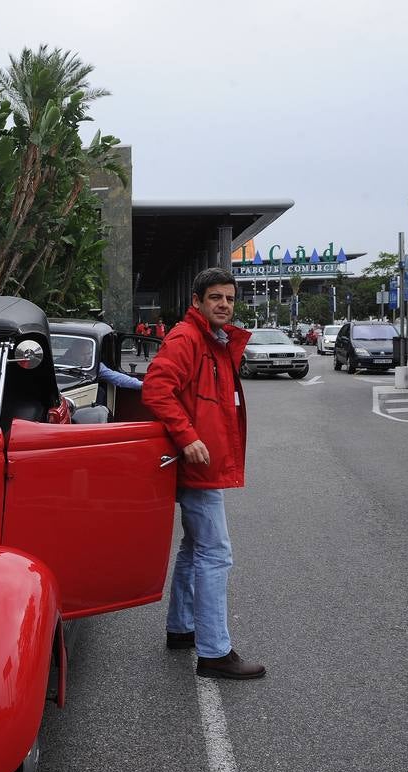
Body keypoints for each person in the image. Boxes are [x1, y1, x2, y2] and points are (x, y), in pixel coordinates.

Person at [142, 267, 265, 680]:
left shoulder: (212, 340)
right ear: (196, 301)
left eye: (229, 299)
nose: (224, 305)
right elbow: (157, 388)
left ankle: (182, 629)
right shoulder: (187, 338)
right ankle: (214, 652)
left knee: (195, 549)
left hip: (203, 464)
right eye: (216, 298)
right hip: (197, 464)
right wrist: (187, 436)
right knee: (216, 553)